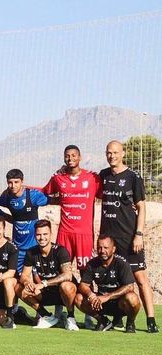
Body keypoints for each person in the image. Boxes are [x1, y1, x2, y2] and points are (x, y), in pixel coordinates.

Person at [98, 140, 156, 333]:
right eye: (108, 152)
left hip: (129, 239)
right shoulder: (103, 176)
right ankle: (117, 318)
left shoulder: (133, 177)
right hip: (109, 241)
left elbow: (141, 207)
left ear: (123, 154)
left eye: (115, 152)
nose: (111, 156)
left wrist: (139, 234)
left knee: (140, 278)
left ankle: (151, 321)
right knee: (115, 281)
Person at [43, 145, 100, 270]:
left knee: (86, 273)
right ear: (64, 159)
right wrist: (25, 189)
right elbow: (44, 192)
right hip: (64, 233)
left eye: (74, 155)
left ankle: (82, 289)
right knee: (60, 270)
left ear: (80, 157)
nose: (70, 159)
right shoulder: (58, 178)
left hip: (84, 234)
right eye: (67, 156)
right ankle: (71, 288)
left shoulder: (92, 178)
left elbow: (106, 195)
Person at [17, 220, 78, 331]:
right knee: (18, 287)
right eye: (38, 234)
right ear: (35, 235)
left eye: (45, 234)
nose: (42, 238)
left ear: (51, 234)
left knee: (67, 286)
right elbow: (24, 276)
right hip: (44, 293)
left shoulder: (60, 251)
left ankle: (70, 317)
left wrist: (44, 283)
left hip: (62, 293)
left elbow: (68, 275)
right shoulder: (31, 252)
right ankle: (47, 316)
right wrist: (27, 283)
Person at [75, 235, 142, 333]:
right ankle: (103, 321)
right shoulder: (92, 264)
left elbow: (130, 286)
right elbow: (83, 285)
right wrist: (91, 295)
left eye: (106, 248)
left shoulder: (121, 263)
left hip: (119, 303)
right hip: (100, 303)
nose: (102, 251)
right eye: (99, 248)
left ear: (113, 249)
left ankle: (130, 323)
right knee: (78, 298)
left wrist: (108, 296)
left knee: (133, 298)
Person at [0, 168, 49, 271]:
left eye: (16, 182)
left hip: (34, 248)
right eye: (10, 182)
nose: (13, 185)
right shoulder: (7, 197)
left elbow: (53, 200)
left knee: (38, 278)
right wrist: (7, 217)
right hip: (17, 248)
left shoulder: (32, 195)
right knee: (18, 280)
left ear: (22, 181)